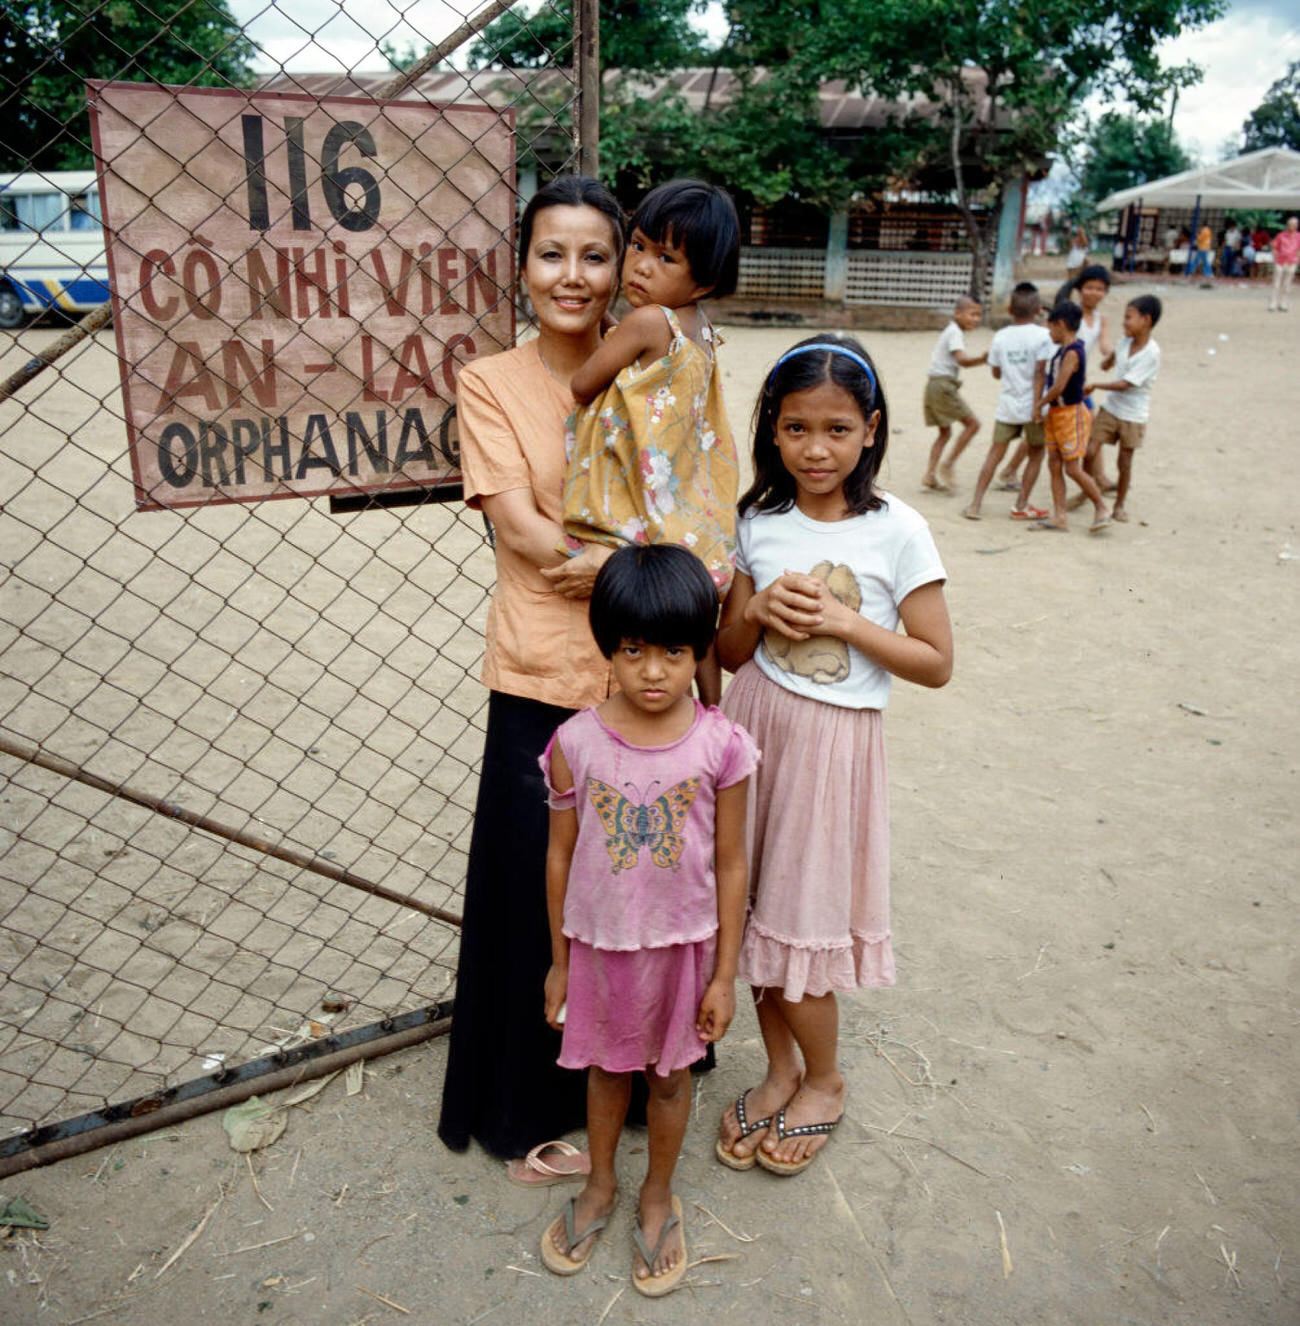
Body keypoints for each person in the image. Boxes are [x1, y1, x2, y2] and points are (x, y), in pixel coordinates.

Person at [713, 336, 953, 1175]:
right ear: (771, 432)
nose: (817, 449)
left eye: (838, 430)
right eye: (797, 428)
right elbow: (733, 651)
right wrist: (761, 609)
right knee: (749, 915)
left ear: (872, 431)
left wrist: (849, 625)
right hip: (756, 732)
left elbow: (936, 662)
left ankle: (825, 1079)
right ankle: (780, 1069)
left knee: (800, 921)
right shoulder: (758, 521)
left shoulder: (899, 532)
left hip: (831, 749)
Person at [437, 175, 627, 1168]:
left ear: (619, 270)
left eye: (594, 255)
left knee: (636, 878)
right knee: (535, 898)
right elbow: (524, 535)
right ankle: (521, 1115)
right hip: (544, 680)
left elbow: (700, 508)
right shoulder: (491, 382)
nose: (572, 274)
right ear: (521, 265)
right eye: (552, 252)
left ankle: (631, 1084)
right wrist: (648, 575)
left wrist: (651, 573)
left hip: (650, 686)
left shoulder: (654, 369)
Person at [538, 544, 755, 1295]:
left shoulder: (721, 744)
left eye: (674, 650)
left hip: (685, 951)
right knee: (605, 1073)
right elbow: (560, 856)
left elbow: (731, 863)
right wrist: (560, 959)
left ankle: (657, 1193)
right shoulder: (574, 743)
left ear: (699, 651)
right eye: (633, 650)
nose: (654, 670)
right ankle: (600, 1183)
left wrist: (726, 973)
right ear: (608, 645)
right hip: (601, 949)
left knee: (669, 1081)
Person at [561, 179, 742, 705]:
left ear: (703, 281)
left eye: (666, 258)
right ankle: (712, 710)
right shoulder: (700, 329)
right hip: (691, 516)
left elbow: (582, 384)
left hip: (637, 512)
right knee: (694, 624)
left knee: (640, 632)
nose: (640, 265)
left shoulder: (645, 322)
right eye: (638, 245)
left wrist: (610, 334)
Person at [963, 282, 1051, 521]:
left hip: (1008, 406)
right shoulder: (1044, 336)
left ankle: (975, 504)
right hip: (1034, 407)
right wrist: (1038, 405)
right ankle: (1021, 505)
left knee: (995, 453)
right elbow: (1041, 373)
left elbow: (996, 372)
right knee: (1035, 454)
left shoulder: (1000, 337)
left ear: (1010, 309)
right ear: (1038, 310)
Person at [1031, 303, 1110, 533]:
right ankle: (1060, 515)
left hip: (1069, 415)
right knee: (1054, 463)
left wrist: (1039, 405)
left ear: (1061, 324)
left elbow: (1058, 387)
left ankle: (1102, 508)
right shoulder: (1064, 350)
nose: (1049, 333)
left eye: (1051, 328)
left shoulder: (1072, 352)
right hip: (1058, 414)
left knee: (1072, 468)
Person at [1084, 294, 1163, 523]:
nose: (1124, 322)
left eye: (1129, 318)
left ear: (1146, 320)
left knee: (1124, 463)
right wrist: (1108, 361)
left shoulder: (1151, 353)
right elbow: (1111, 359)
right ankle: (1088, 490)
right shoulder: (1125, 342)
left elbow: (1125, 384)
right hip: (1111, 408)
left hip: (1133, 415)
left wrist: (1097, 384)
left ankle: (1119, 504)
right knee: (1089, 452)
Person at [921, 295, 986, 492]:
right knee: (973, 424)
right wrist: (983, 359)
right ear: (958, 313)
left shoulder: (952, 331)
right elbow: (962, 360)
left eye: (979, 315)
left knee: (945, 432)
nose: (976, 319)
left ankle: (930, 475)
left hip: (933, 386)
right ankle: (948, 464)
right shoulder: (955, 332)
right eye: (972, 314)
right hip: (943, 387)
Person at [1268, 215, 1299, 312]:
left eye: (1294, 225)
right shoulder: (1281, 235)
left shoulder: (1298, 236)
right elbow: (1274, 246)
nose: (1291, 226)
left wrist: (1297, 258)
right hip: (1280, 261)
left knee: (1287, 284)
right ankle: (1273, 303)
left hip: (1291, 261)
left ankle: (1283, 303)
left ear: (1297, 226)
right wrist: (1275, 256)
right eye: (1290, 224)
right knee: (1276, 283)